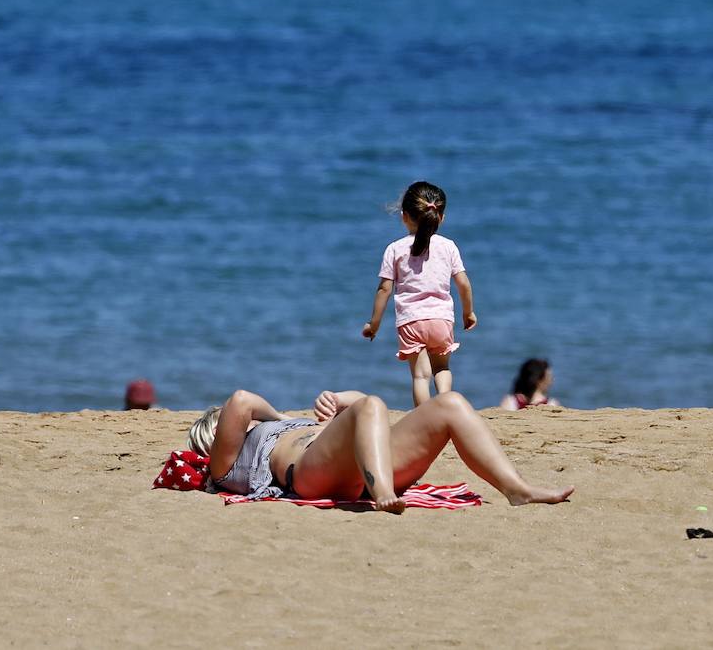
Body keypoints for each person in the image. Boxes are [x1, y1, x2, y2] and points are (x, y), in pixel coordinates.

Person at [187, 388, 573, 514]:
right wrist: (281, 416)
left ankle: (515, 489)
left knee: (450, 403)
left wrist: (338, 400)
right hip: (309, 474)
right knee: (368, 406)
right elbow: (240, 401)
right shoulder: (228, 466)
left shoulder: (290, 426)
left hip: (357, 464)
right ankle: (383, 492)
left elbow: (370, 411)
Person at [362, 181, 476, 406]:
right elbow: (463, 284)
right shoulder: (448, 246)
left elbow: (384, 289)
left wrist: (373, 324)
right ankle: (446, 407)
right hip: (441, 320)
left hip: (411, 322)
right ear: (440, 217)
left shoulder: (395, 249)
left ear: (404, 216)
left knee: (420, 376)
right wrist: (468, 312)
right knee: (442, 368)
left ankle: (424, 419)